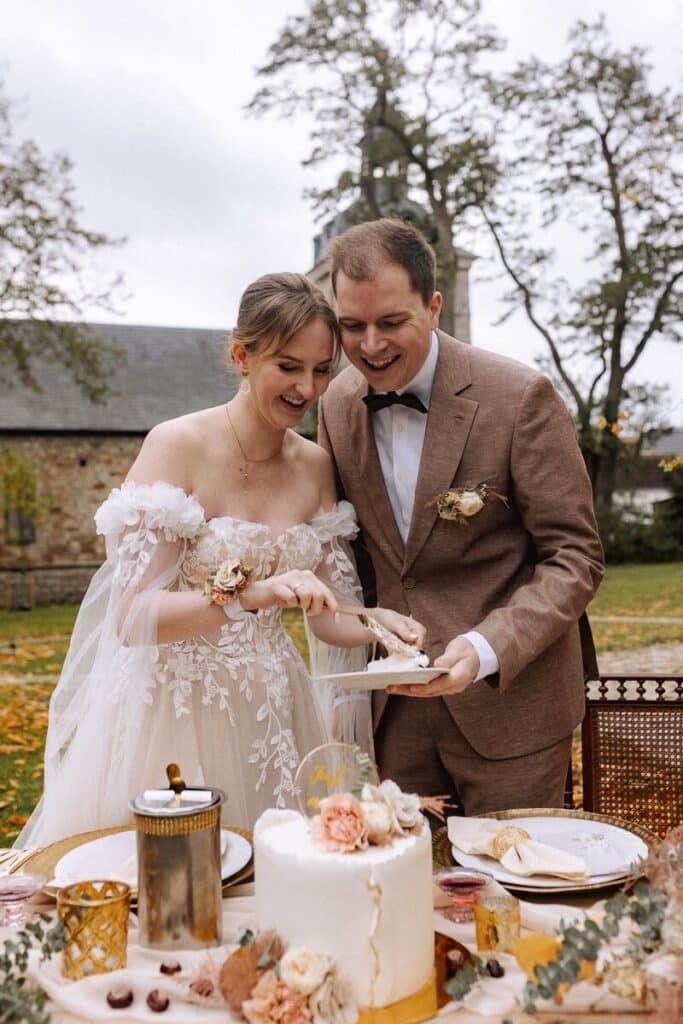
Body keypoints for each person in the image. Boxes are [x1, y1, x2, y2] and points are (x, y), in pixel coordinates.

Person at [17, 272, 422, 848]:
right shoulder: (175, 447)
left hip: (275, 711)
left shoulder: (314, 466)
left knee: (282, 873)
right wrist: (249, 596)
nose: (306, 389)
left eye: (321, 370)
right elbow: (131, 618)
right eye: (288, 366)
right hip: (175, 712)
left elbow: (326, 614)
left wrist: (376, 622)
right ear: (242, 355)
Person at [318, 219, 605, 816]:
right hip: (394, 716)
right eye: (352, 326)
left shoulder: (520, 396)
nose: (370, 346)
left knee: (518, 896)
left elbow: (575, 557)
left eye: (392, 323)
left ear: (435, 306)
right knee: (403, 895)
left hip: (512, 713)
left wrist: (485, 647)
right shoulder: (336, 405)